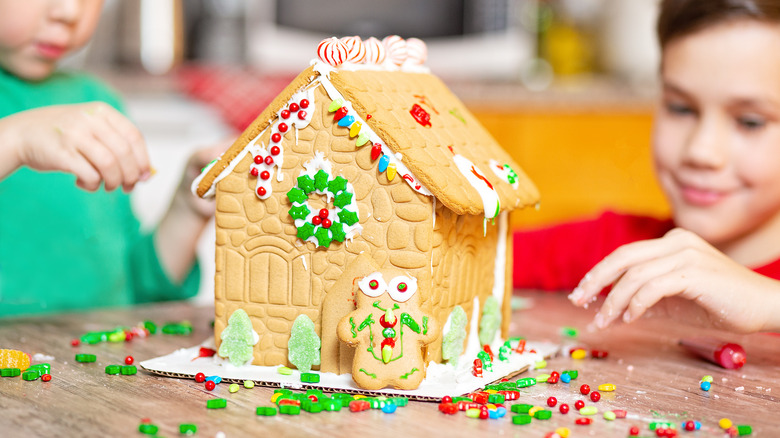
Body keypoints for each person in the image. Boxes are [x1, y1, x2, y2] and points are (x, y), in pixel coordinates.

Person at [514, 0, 780, 334]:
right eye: (681, 108)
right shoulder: (618, 250)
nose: (701, 151)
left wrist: (771, 304)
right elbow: (468, 259)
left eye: (750, 121)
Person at [0, 0, 217, 316]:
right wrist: (15, 139)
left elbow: (134, 289)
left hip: (91, 360)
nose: (70, 12)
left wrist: (188, 206)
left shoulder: (96, 101)